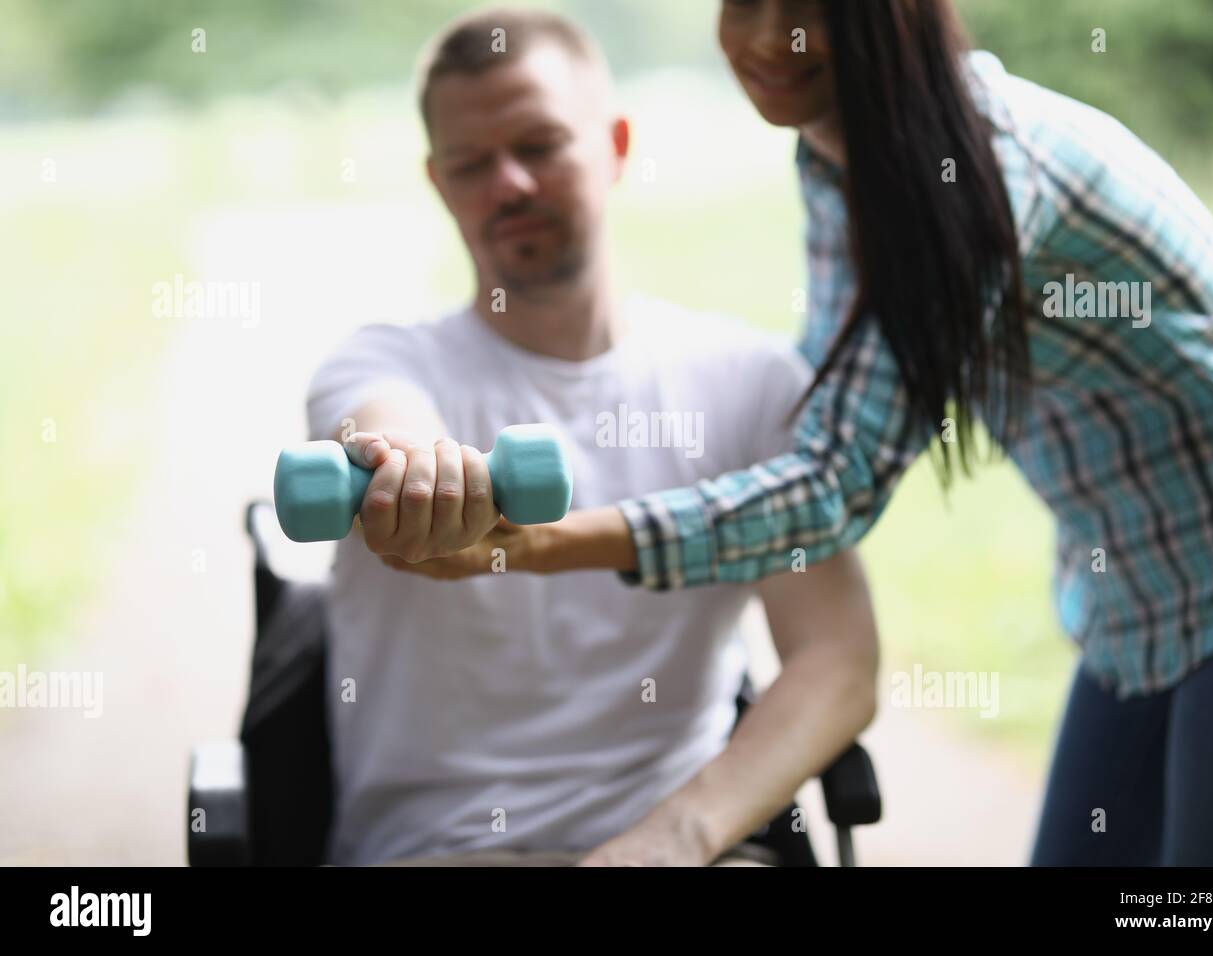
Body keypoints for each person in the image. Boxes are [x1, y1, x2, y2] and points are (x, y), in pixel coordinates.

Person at [406, 0, 1213, 866]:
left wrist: (544, 545)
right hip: (1143, 593)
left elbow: (833, 483)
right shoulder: (839, 156)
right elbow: (829, 410)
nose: (765, 38)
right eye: (743, 0)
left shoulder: (976, 165)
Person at [306, 6, 878, 867]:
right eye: (472, 163)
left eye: (538, 146)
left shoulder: (752, 382)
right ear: (438, 182)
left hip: (685, 849)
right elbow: (383, 426)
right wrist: (414, 469)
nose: (510, 184)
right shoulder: (381, 362)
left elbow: (838, 655)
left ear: (614, 144)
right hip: (439, 850)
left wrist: (673, 839)